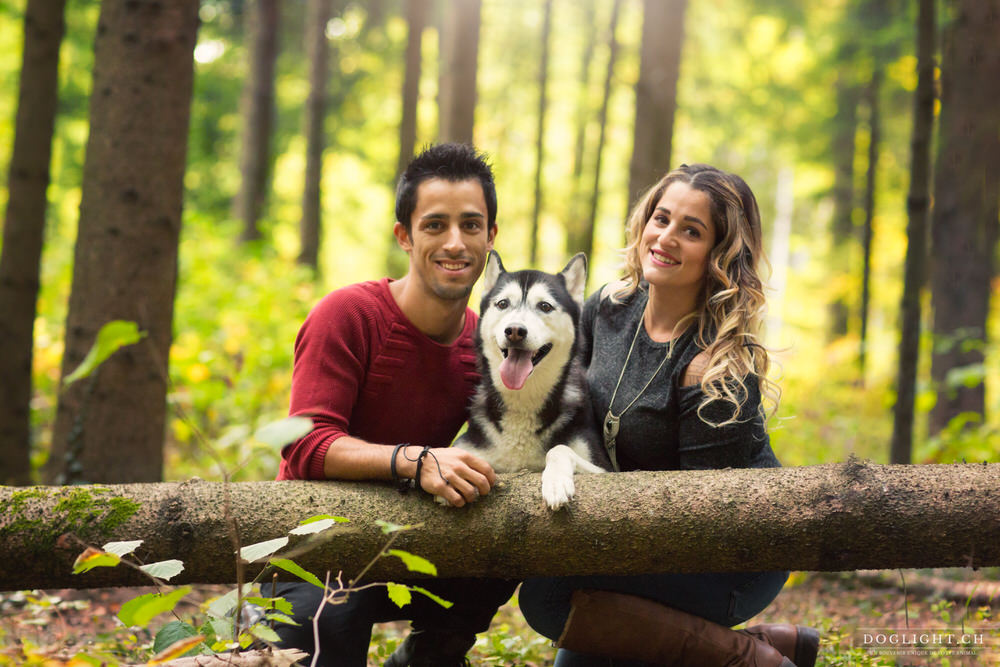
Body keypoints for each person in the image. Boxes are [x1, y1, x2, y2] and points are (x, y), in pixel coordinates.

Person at [519, 164, 819, 667]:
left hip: (730, 555)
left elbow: (703, 520)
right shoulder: (608, 309)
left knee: (549, 595)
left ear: (720, 255)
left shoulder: (716, 366)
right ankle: (771, 646)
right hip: (641, 529)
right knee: (577, 622)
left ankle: (748, 661)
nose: (666, 238)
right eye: (662, 218)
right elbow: (569, 413)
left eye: (692, 230)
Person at [267, 143, 517, 667]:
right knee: (331, 621)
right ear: (404, 235)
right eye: (435, 225)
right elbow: (304, 447)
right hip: (311, 552)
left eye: (472, 226)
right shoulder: (349, 314)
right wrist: (415, 460)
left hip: (402, 542)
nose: (455, 242)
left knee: (507, 541)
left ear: (491, 238)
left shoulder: (488, 348)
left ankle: (428, 656)